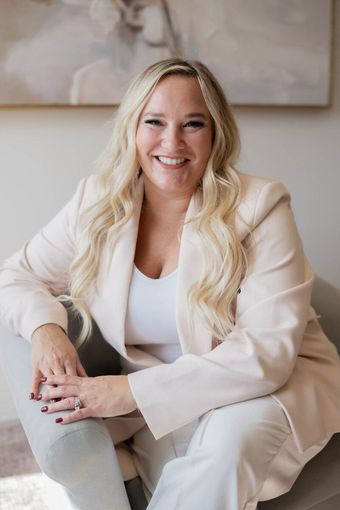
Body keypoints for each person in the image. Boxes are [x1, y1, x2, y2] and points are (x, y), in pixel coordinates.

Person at [0, 58, 340, 510]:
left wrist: (124, 393)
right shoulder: (97, 202)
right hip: (164, 403)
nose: (171, 142)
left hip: (271, 387)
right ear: (133, 129)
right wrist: (47, 331)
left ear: (216, 132)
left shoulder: (260, 205)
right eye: (154, 121)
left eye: (192, 124)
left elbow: (267, 354)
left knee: (227, 448)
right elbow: (15, 275)